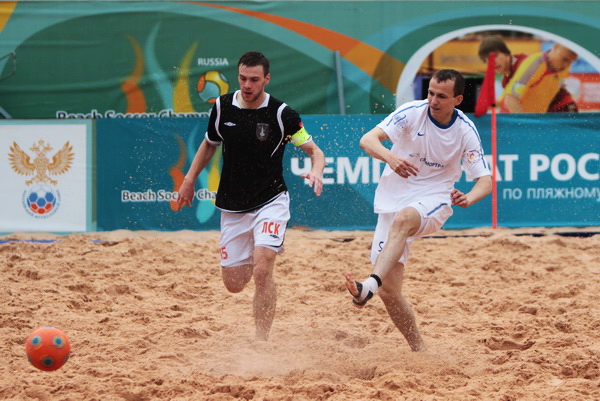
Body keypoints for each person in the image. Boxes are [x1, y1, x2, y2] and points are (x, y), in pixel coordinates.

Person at [176, 51, 325, 340]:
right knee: (234, 284)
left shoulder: (282, 114)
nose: (247, 85)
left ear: (266, 79)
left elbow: (314, 150)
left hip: (271, 199)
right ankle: (257, 250)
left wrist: (316, 171)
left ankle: (262, 340)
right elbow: (209, 143)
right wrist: (189, 180)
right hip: (233, 204)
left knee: (262, 271)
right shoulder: (222, 107)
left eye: (254, 80)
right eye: (243, 78)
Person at [345, 69, 492, 351]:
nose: (433, 101)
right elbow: (367, 140)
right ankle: (419, 349)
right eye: (431, 93)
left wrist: (468, 198)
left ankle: (368, 286)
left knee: (404, 220)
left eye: (442, 96)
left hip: (435, 197)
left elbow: (484, 181)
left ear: (458, 99)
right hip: (393, 198)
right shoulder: (412, 112)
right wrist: (391, 158)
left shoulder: (465, 130)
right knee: (390, 291)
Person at [478, 35, 578, 113]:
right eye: (487, 61)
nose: (492, 62)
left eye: (495, 56)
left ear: (505, 52)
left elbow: (511, 98)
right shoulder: (505, 80)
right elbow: (508, 97)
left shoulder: (523, 62)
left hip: (558, 107)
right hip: (541, 114)